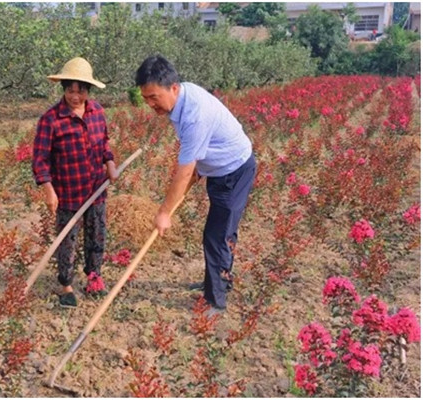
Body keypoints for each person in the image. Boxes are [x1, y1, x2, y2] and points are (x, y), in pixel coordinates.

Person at [135, 55, 256, 314]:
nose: (150, 104)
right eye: (145, 98)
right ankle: (218, 282)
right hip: (218, 169)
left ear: (173, 88)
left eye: (154, 97)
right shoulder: (180, 101)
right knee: (222, 232)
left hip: (234, 170)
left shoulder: (194, 114)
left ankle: (216, 300)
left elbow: (186, 169)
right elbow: (192, 168)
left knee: (217, 236)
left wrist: (165, 212)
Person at [32, 57, 118, 308]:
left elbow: (104, 144)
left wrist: (110, 163)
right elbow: (40, 160)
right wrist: (49, 190)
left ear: (88, 91)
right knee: (67, 240)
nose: (75, 96)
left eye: (81, 90)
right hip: (68, 193)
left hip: (96, 189)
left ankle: (93, 278)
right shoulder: (51, 119)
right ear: (64, 89)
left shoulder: (97, 112)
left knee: (97, 236)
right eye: (71, 90)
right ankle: (66, 285)